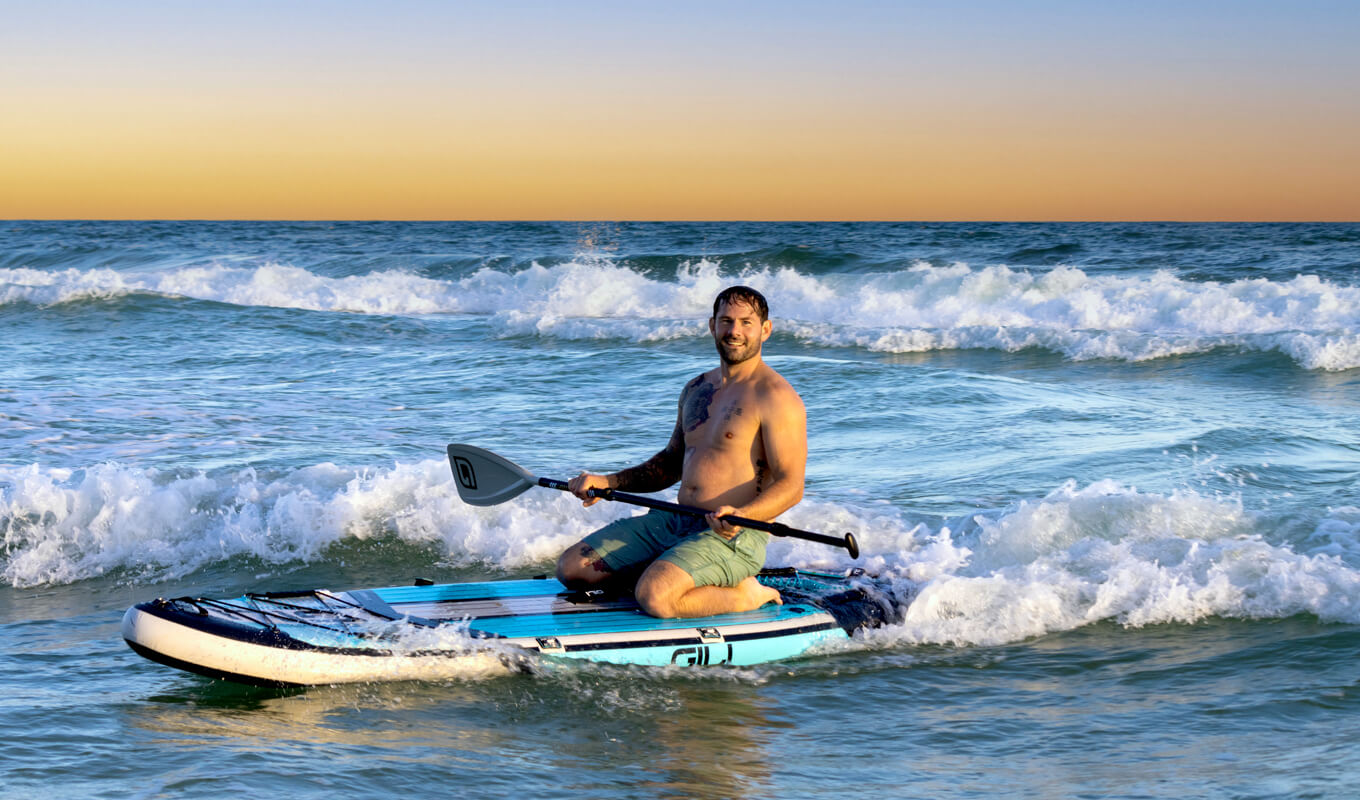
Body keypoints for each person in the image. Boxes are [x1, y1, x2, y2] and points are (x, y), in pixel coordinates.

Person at [556, 285, 807, 618]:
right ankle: (667, 570)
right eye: (726, 321)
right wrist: (607, 482)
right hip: (677, 521)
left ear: (765, 329)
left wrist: (744, 516)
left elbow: (791, 485)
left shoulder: (775, 397)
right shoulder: (696, 388)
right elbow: (670, 463)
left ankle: (747, 594)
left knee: (655, 598)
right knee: (572, 569)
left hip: (734, 535)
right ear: (712, 325)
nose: (734, 331)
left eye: (746, 322)